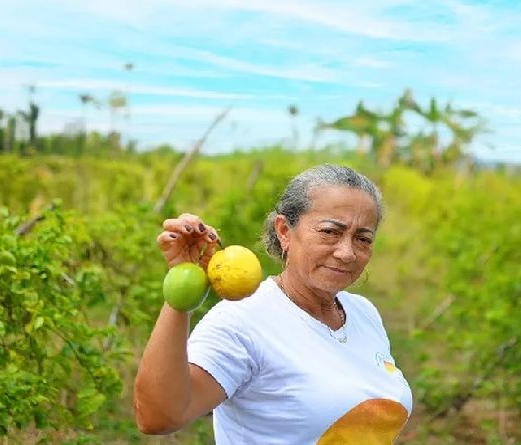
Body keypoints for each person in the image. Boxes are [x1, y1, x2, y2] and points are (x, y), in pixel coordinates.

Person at [134, 164, 413, 444]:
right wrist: (181, 295)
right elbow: (159, 416)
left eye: (363, 239)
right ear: (284, 231)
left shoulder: (363, 312)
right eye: (330, 232)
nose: (346, 252)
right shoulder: (243, 321)